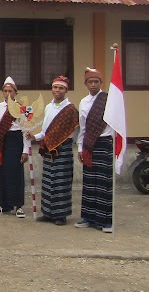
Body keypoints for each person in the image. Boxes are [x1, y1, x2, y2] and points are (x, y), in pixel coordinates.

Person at [28, 76, 79, 226]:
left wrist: (64, 142)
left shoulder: (70, 110)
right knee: (48, 181)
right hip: (49, 148)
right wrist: (34, 136)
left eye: (61, 88)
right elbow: (45, 130)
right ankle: (48, 213)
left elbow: (74, 133)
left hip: (63, 149)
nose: (57, 90)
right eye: (55, 87)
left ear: (66, 90)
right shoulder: (48, 107)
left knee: (61, 182)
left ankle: (60, 215)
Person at [0, 76, 30, 218]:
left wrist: (25, 150)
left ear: (15, 92)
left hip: (16, 141)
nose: (8, 93)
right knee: (4, 173)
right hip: (3, 140)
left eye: (11, 91)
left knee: (16, 173)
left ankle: (18, 206)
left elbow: (25, 130)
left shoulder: (21, 108)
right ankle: (5, 205)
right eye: (5, 91)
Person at [76, 67, 114, 233]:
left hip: (104, 143)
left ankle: (105, 220)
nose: (93, 84)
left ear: (101, 82)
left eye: (96, 81)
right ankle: (88, 217)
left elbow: (115, 124)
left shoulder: (109, 100)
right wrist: (80, 146)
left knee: (103, 182)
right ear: (85, 83)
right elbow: (82, 128)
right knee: (89, 182)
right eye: (90, 82)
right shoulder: (83, 102)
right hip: (89, 144)